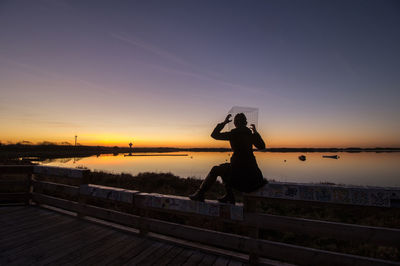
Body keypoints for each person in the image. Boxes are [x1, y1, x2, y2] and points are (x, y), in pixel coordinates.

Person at [189, 113, 267, 204]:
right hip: (254, 176)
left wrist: (224, 122)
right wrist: (256, 133)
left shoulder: (233, 134)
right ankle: (229, 196)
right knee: (223, 168)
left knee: (216, 169)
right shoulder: (250, 135)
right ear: (245, 123)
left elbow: (214, 135)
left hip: (241, 175)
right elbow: (262, 146)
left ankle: (200, 194)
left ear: (235, 123)